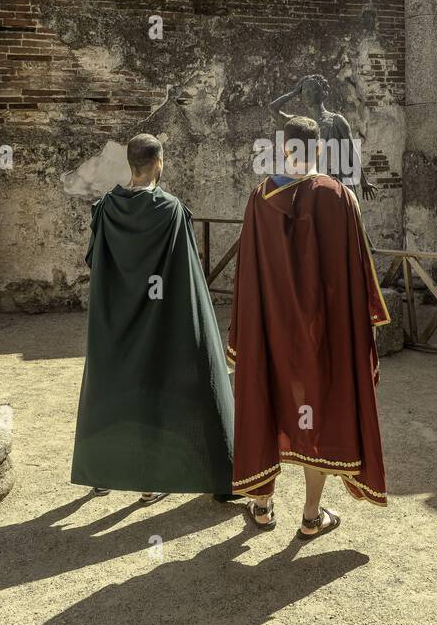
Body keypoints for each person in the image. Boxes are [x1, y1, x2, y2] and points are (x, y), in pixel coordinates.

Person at [227, 115, 389, 538]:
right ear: (319, 150)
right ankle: (311, 516)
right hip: (323, 338)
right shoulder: (340, 198)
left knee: (267, 400)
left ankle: (261, 507)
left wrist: (249, 331)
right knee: (316, 411)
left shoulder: (258, 200)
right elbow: (356, 280)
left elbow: (247, 278)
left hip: (271, 337)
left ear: (284, 149)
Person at [71, 133, 234, 503]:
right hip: (157, 316)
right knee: (153, 393)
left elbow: (98, 262)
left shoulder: (105, 207)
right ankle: (150, 482)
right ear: (159, 163)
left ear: (130, 165)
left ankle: (104, 474)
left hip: (115, 318)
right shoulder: (170, 210)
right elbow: (184, 274)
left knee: (112, 388)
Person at [270, 74, 378, 200]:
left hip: (334, 181)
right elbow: (273, 108)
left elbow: (351, 151)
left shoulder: (336, 121)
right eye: (305, 91)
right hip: (309, 182)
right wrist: (294, 92)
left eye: (312, 90)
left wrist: (364, 182)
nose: (307, 94)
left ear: (323, 93)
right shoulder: (301, 123)